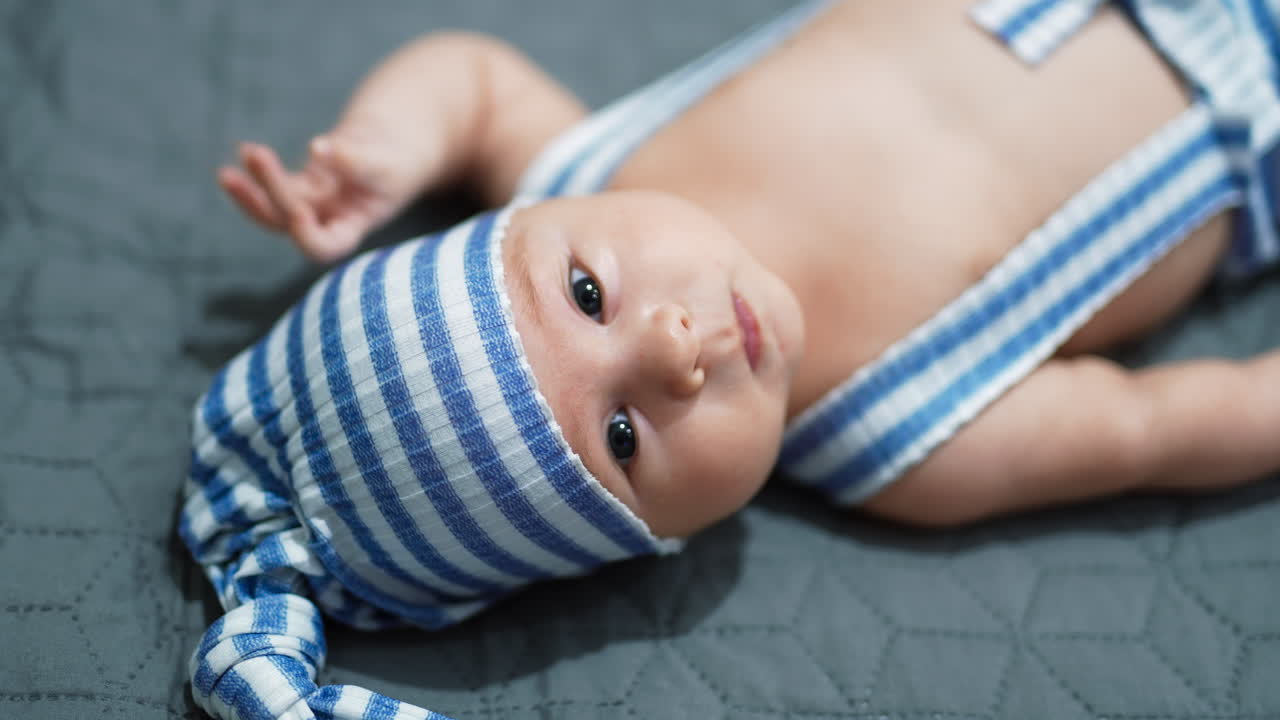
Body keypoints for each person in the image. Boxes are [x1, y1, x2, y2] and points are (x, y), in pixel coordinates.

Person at [182, 1, 1280, 718]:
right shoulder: (901, 433)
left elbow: (466, 79)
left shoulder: (591, 164)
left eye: (584, 294)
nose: (668, 351)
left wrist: (383, 149)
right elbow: (1169, 425)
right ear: (649, 543)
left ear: (531, 218)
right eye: (619, 440)